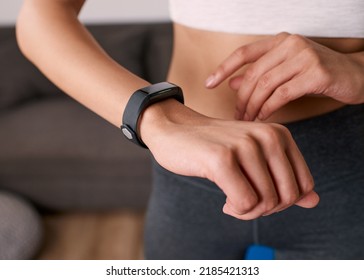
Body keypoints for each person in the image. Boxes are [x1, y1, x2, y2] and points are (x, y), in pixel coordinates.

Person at [16, 0, 364, 259]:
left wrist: (357, 67)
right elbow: (41, 17)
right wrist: (157, 119)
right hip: (186, 172)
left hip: (348, 169)